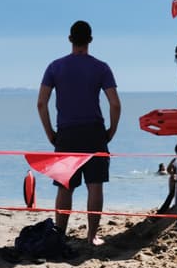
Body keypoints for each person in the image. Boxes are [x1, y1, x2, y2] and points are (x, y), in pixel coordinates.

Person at [37, 20, 121, 246]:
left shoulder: (55, 67)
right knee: (95, 186)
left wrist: (50, 133)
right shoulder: (101, 67)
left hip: (67, 133)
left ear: (70, 39)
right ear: (90, 40)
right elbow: (115, 104)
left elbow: (41, 104)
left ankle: (60, 235)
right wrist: (111, 131)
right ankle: (92, 236)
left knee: (66, 187)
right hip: (94, 131)